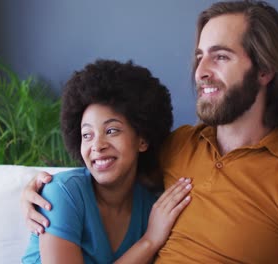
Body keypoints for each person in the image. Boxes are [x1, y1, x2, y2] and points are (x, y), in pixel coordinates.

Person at [21, 1, 278, 263]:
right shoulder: (176, 147)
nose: (201, 72)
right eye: (199, 57)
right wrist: (36, 189)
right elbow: (106, 173)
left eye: (220, 56)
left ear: (265, 70)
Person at [21, 59, 192, 263]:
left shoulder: (152, 209)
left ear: (143, 139)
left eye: (111, 131)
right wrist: (149, 241)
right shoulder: (62, 193)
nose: (97, 145)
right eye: (87, 135)